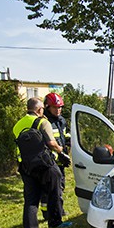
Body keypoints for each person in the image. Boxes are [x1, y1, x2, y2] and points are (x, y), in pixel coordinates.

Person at [12, 97, 72, 228]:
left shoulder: (17, 125)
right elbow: (51, 143)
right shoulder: (42, 122)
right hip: (44, 164)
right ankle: (55, 222)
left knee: (31, 199)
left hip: (26, 166)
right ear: (39, 109)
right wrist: (61, 151)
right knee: (54, 192)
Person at [41, 92, 71, 220]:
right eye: (55, 107)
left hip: (61, 160)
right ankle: (46, 212)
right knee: (48, 189)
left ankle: (59, 209)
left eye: (60, 107)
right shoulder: (44, 121)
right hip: (49, 161)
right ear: (47, 107)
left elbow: (65, 134)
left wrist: (69, 143)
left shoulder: (61, 120)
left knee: (60, 186)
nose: (58, 110)